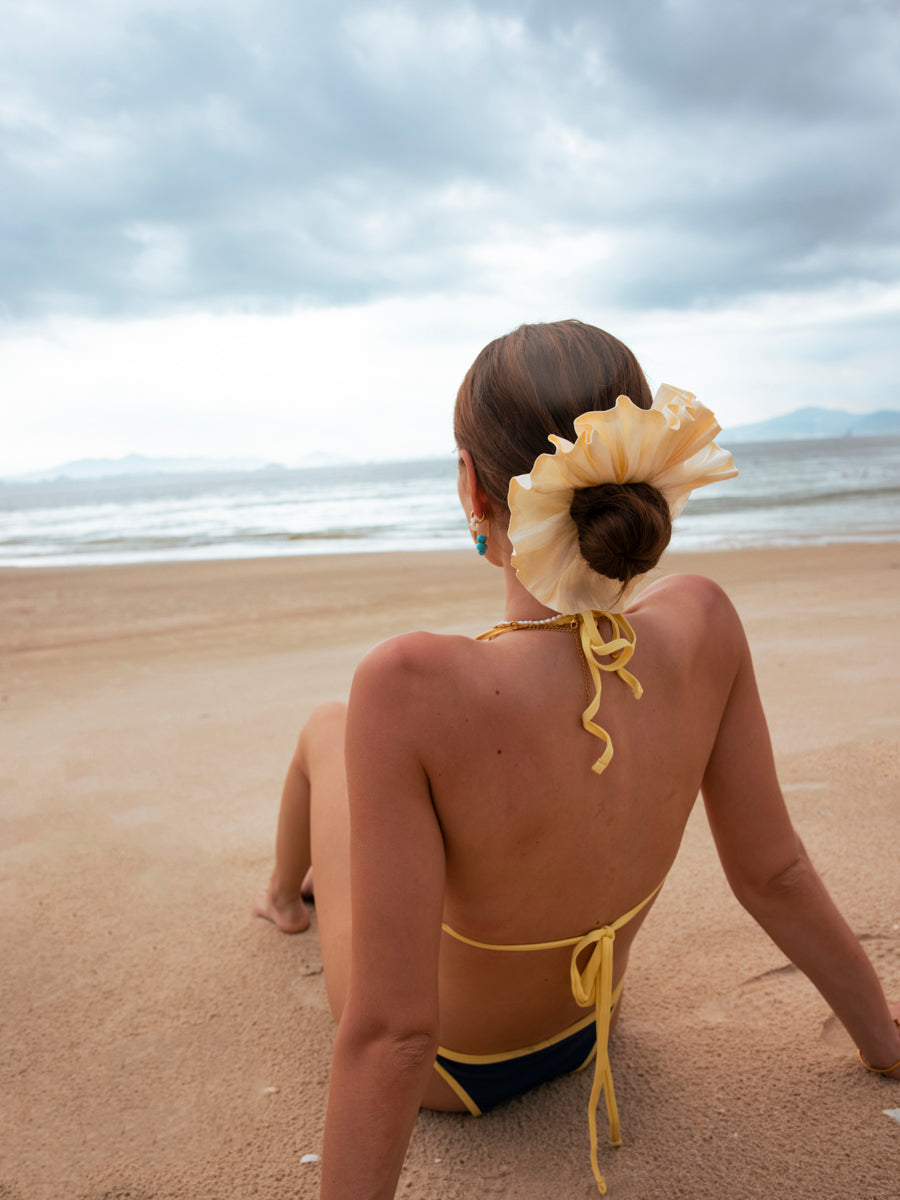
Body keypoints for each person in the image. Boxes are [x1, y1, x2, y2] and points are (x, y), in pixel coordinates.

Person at [255, 320, 900, 1198]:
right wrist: (883, 1041)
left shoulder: (412, 683)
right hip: (590, 1025)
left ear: (472, 486)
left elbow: (394, 1035)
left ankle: (278, 900)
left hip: (454, 1069)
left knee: (329, 727)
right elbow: (774, 872)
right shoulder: (704, 622)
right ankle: (284, 895)